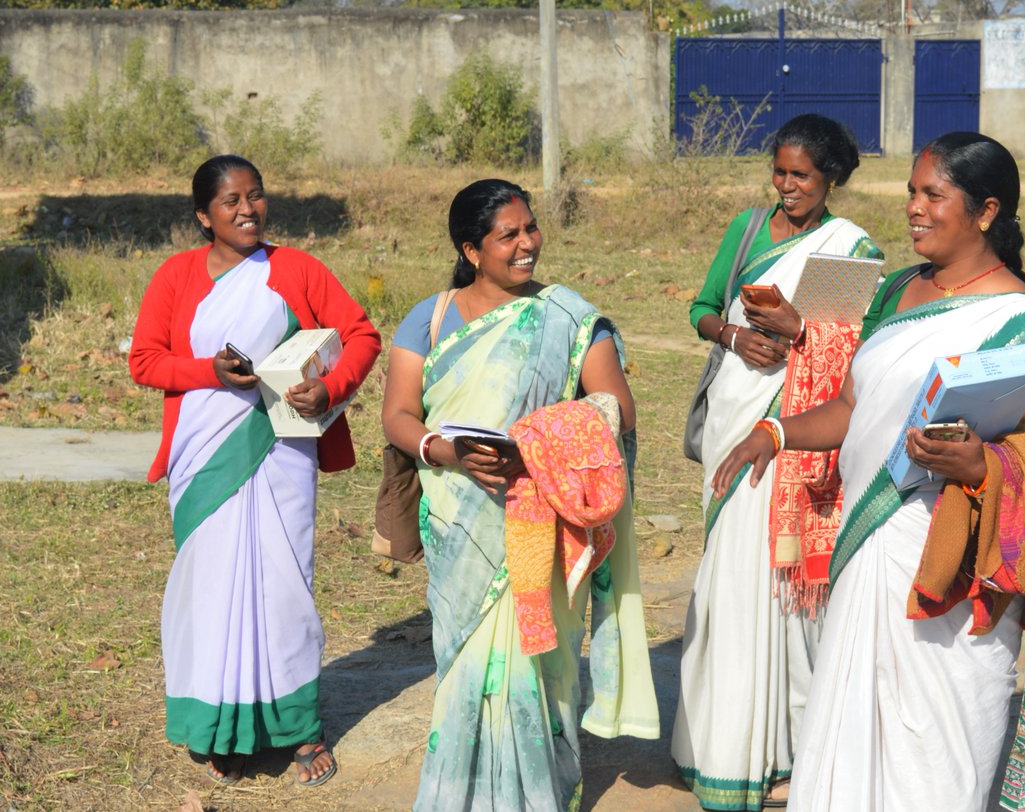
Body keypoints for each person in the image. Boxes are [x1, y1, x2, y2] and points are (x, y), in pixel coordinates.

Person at [712, 132, 1025, 812]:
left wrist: (982, 463)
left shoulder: (1022, 321)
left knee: (934, 752)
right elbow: (852, 406)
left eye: (932, 195)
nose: (914, 210)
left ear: (986, 211)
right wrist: (776, 432)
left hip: (951, 576)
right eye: (910, 194)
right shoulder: (898, 291)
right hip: (871, 556)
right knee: (848, 737)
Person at [381, 178, 659, 811]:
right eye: (509, 235)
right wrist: (443, 449)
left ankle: (537, 793)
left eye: (530, 228)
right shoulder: (432, 317)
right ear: (471, 249)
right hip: (458, 518)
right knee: (467, 670)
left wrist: (534, 443)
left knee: (541, 665)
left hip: (540, 519)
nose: (528, 243)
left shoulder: (567, 315)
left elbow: (619, 409)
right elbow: (398, 413)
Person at [128, 155, 381, 787]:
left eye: (256, 196)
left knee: (282, 584)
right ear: (202, 216)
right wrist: (207, 371)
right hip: (201, 456)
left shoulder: (295, 268)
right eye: (230, 201)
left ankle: (298, 728)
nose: (247, 210)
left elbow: (361, 336)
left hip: (280, 451)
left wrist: (330, 389)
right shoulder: (176, 276)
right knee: (211, 590)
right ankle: (221, 727)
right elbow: (145, 361)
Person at [673, 114, 883, 810]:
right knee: (726, 577)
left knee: (778, 582)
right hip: (737, 403)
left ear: (832, 180)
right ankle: (714, 745)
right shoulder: (745, 229)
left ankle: (788, 750)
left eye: (802, 176)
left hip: (789, 430)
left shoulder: (846, 249)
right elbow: (703, 308)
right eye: (780, 172)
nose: (787, 186)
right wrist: (735, 333)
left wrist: (798, 331)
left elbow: (847, 351)